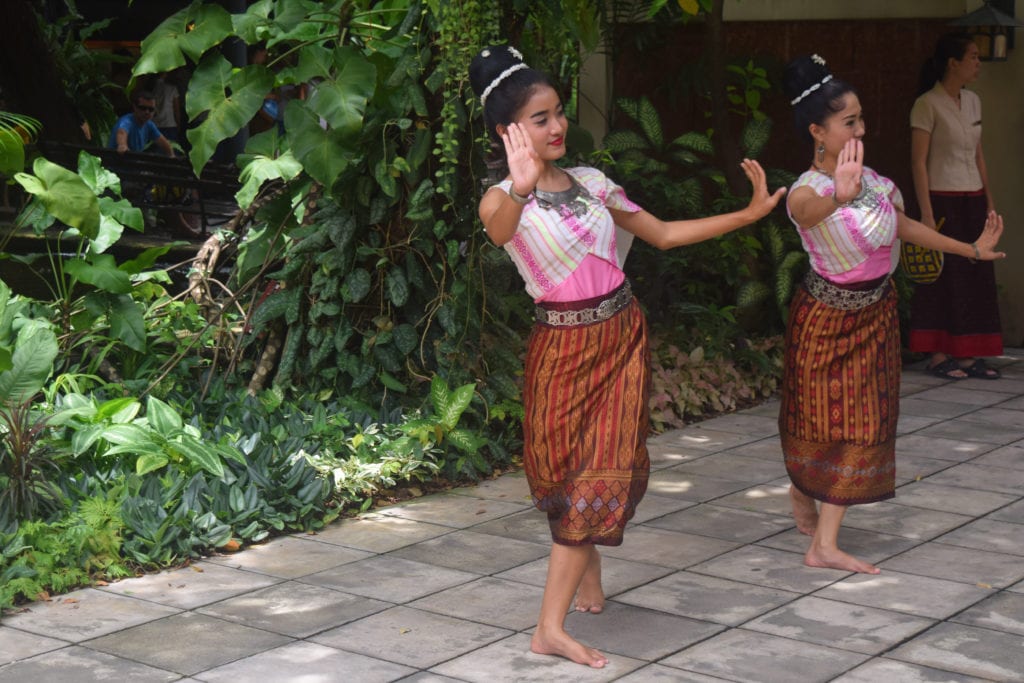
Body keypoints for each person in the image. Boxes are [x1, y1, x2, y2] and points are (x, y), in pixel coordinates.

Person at [469, 45, 785, 669]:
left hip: (620, 340)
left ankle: (549, 627)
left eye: (558, 113)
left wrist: (747, 215)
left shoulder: (592, 185)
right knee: (566, 478)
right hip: (561, 350)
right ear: (509, 131)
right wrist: (523, 186)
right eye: (540, 119)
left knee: (601, 472)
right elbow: (500, 230)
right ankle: (580, 584)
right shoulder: (500, 199)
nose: (557, 127)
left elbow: (663, 234)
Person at [779, 54, 1005, 575]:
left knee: (863, 424)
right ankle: (803, 494)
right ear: (818, 130)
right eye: (849, 121)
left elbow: (905, 228)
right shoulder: (806, 191)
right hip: (825, 320)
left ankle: (824, 543)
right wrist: (839, 194)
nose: (862, 128)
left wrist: (970, 249)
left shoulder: (877, 183)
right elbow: (808, 214)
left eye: (861, 118)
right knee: (815, 422)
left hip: (875, 317)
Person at [908, 33, 1002, 380]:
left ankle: (969, 353)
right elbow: (918, 161)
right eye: (973, 57)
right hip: (942, 196)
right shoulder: (927, 104)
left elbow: (978, 154)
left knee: (975, 273)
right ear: (953, 63)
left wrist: (989, 199)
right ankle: (938, 353)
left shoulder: (974, 101)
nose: (978, 63)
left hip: (972, 197)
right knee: (944, 275)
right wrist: (927, 213)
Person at [108, 90, 175, 158]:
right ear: (134, 107)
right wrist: (122, 145)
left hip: (133, 163)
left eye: (151, 109)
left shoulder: (149, 125)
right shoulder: (127, 121)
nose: (147, 112)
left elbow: (164, 142)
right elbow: (122, 132)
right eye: (143, 108)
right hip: (117, 164)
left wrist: (171, 156)